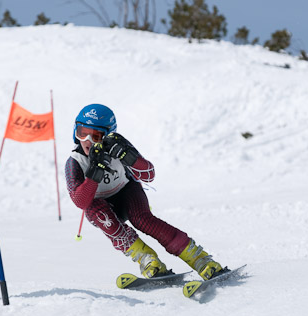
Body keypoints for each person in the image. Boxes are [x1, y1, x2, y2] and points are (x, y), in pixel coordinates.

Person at [65, 104, 226, 281]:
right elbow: (80, 201)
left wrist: (127, 155)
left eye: (96, 136)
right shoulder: (75, 161)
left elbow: (149, 174)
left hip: (126, 192)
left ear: (108, 135)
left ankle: (200, 259)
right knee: (100, 215)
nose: (88, 140)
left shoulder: (116, 144)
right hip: (100, 205)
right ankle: (148, 260)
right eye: (82, 133)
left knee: (142, 220)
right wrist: (94, 174)